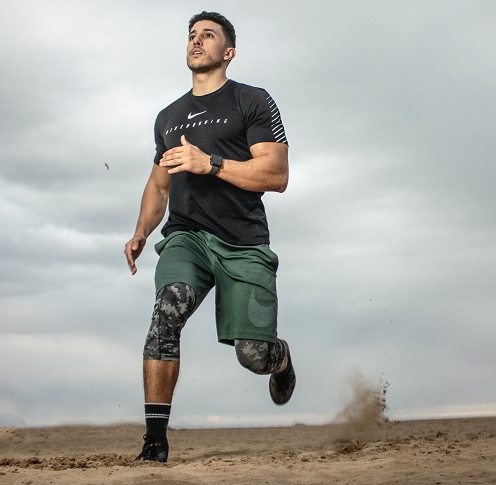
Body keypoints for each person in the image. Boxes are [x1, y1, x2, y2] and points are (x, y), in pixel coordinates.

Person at [123, 11, 295, 463]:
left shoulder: (252, 101)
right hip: (187, 238)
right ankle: (155, 443)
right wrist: (142, 230)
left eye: (208, 35)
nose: (197, 41)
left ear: (229, 52)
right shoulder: (169, 116)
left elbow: (276, 175)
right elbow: (159, 184)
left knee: (252, 355)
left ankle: (279, 357)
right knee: (165, 315)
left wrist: (211, 164)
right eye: (192, 35)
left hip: (243, 242)